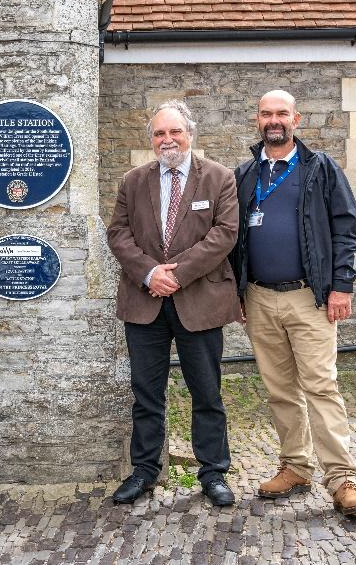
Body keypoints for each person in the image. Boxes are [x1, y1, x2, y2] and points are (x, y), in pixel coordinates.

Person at [230, 89, 356, 516]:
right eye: (265, 114)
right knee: (280, 391)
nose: (273, 120)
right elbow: (232, 238)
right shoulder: (245, 173)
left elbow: (347, 229)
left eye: (281, 113)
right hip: (258, 297)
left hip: (310, 298)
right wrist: (236, 292)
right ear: (257, 120)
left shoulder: (320, 168)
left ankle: (343, 480)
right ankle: (295, 466)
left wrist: (342, 286)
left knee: (321, 387)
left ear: (296, 118)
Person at [106, 100, 241, 507]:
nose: (167, 140)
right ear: (151, 140)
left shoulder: (219, 178)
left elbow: (225, 234)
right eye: (159, 134)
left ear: (190, 134)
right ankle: (144, 471)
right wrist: (150, 273)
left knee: (207, 392)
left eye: (175, 132)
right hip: (144, 301)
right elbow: (118, 233)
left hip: (199, 301)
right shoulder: (133, 181)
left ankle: (213, 472)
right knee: (146, 394)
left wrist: (176, 274)